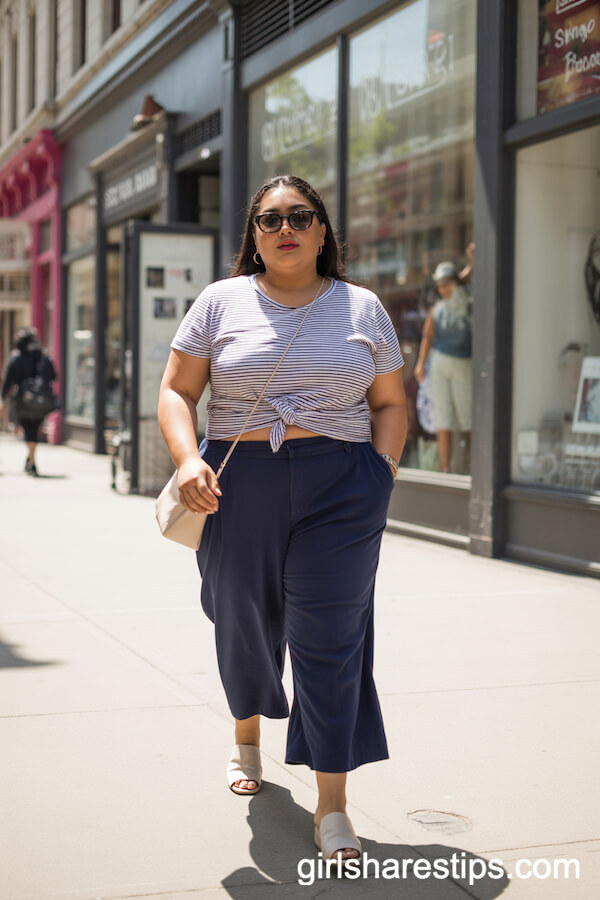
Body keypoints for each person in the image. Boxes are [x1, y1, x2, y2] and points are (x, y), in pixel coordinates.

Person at [158, 174, 407, 867]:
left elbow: (390, 402)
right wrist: (185, 462)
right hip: (237, 485)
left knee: (332, 640)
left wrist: (379, 475)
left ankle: (332, 806)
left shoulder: (362, 308)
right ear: (254, 235)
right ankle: (246, 736)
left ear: (323, 231)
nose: (286, 227)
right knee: (242, 617)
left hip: (342, 488)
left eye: (301, 216)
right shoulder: (219, 302)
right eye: (270, 219)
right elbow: (178, 391)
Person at [414, 245, 474, 473]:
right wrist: (420, 363)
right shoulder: (437, 309)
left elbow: (468, 275)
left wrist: (471, 259)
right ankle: (446, 469)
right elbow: (428, 336)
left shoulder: (466, 299)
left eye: (446, 284)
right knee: (443, 419)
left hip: (462, 362)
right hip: (440, 363)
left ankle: (471, 467)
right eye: (440, 285)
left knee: (467, 417)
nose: (443, 289)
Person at [0, 327, 57, 476]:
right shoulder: (42, 355)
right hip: (39, 400)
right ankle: (31, 459)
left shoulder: (16, 356)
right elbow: (53, 376)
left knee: (27, 429)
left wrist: (3, 398)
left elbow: (7, 380)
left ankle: (31, 460)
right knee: (34, 429)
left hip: (21, 399)